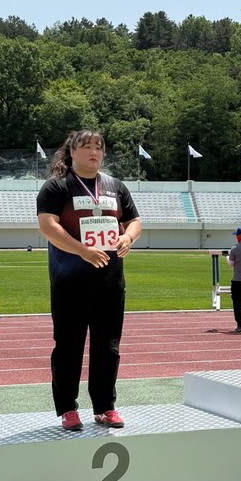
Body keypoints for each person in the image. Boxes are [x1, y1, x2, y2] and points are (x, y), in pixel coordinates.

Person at [36, 128, 142, 431]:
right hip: (70, 279)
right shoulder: (56, 187)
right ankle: (68, 408)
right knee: (68, 345)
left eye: (98, 146)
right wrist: (82, 250)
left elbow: (133, 221)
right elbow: (48, 225)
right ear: (72, 151)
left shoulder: (115, 186)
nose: (93, 151)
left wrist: (128, 238)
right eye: (86, 146)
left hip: (110, 280)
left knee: (108, 346)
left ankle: (105, 407)